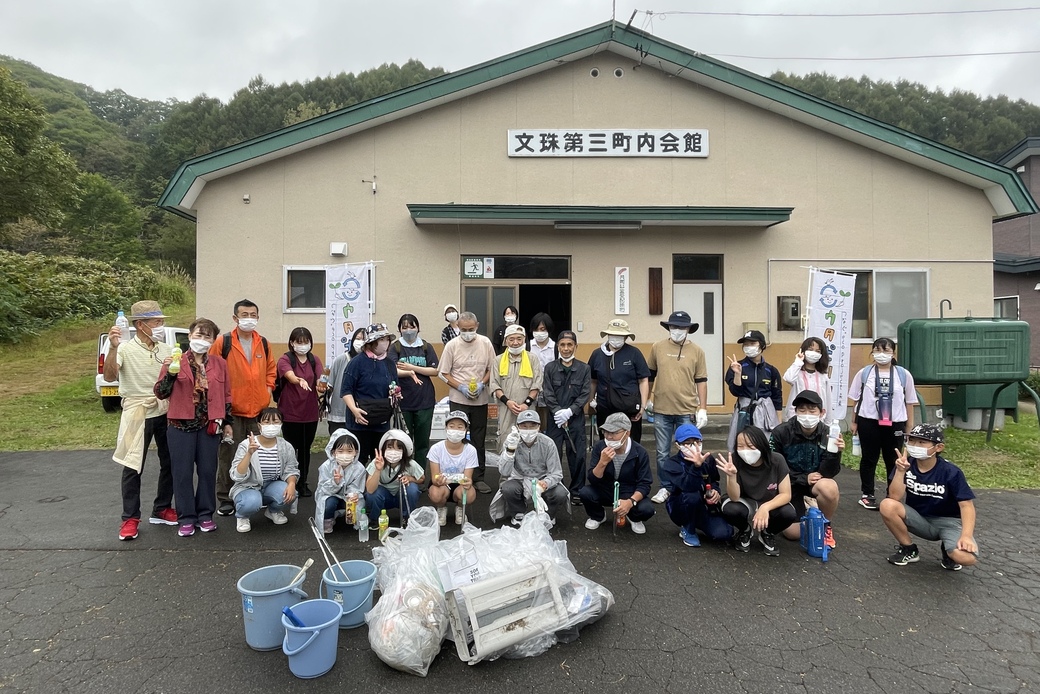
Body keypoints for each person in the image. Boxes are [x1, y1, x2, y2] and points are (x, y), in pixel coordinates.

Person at [153, 318, 232, 538]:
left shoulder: (219, 364)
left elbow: (226, 395)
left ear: (213, 340)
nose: (203, 339)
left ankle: (205, 515)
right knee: (182, 473)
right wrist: (170, 372)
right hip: (180, 425)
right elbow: (160, 392)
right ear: (189, 336)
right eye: (199, 334)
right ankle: (186, 517)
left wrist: (226, 423)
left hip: (209, 426)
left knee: (207, 472)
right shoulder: (175, 361)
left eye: (208, 336)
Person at [106, 300, 177, 540]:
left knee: (171, 462)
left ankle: (162, 508)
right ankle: (130, 518)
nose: (160, 326)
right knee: (132, 465)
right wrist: (113, 348)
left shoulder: (166, 349)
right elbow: (108, 376)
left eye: (161, 321)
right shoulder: (125, 348)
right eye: (156, 322)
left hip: (164, 409)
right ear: (140, 324)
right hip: (136, 410)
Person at [880, 424, 978, 571]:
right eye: (912, 441)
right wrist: (900, 471)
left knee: (966, 558)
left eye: (921, 442)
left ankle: (948, 551)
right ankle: (909, 549)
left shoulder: (951, 472)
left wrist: (966, 536)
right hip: (920, 519)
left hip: (949, 522)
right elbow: (894, 497)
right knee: (887, 505)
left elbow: (967, 506)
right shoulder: (906, 464)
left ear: (938, 447)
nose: (914, 445)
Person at [211, 299, 277, 517]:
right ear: (235, 318)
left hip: (258, 412)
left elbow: (271, 370)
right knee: (228, 455)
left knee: (259, 455)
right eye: (244, 314)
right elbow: (212, 371)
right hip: (233, 411)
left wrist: (268, 390)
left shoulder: (263, 343)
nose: (249, 318)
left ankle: (257, 493)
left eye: (253, 314)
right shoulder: (224, 342)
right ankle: (226, 497)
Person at [848, 337, 919, 511]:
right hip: (868, 421)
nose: (882, 354)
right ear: (872, 352)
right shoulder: (865, 373)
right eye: (878, 350)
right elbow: (856, 398)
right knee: (868, 458)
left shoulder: (903, 374)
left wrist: (909, 426)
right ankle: (867, 494)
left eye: (886, 350)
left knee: (893, 459)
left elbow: (909, 401)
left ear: (893, 353)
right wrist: (853, 421)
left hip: (896, 423)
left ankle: (892, 495)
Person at [647, 310, 709, 504]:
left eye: (682, 327)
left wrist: (703, 408)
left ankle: (686, 485)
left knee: (690, 451)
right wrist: (648, 398)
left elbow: (702, 381)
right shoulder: (657, 347)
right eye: (674, 326)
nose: (677, 330)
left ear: (689, 329)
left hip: (686, 409)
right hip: (661, 409)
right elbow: (650, 375)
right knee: (662, 452)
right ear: (668, 328)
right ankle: (666, 487)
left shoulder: (697, 351)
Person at [768, 391, 841, 548]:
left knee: (829, 487)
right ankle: (807, 512)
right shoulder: (781, 432)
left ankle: (825, 526)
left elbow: (829, 474)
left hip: (815, 483)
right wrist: (802, 478)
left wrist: (836, 453)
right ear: (795, 412)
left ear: (822, 413)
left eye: (812, 409)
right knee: (792, 534)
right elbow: (773, 467)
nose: (807, 414)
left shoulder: (829, 433)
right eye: (802, 409)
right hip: (789, 485)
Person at [438, 311, 496, 494]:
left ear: (477, 326)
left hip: (480, 398)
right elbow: (443, 373)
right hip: (458, 398)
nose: (468, 333)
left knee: (479, 439)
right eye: (464, 330)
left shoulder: (485, 343)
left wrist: (482, 383)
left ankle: (478, 478)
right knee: (457, 438)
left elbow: (492, 369)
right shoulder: (452, 345)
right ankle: (456, 476)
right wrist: (460, 387)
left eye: (471, 329)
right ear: (458, 328)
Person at [718, 425, 797, 556]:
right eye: (740, 446)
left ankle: (768, 533)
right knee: (730, 509)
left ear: (761, 444)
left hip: (769, 501)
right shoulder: (734, 460)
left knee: (788, 513)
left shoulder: (777, 460)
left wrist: (765, 507)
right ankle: (745, 530)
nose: (745, 451)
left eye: (750, 446)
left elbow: (786, 494)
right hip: (745, 501)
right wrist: (731, 476)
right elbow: (734, 497)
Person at [580, 412, 655, 534]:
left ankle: (633, 517)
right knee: (585, 493)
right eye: (606, 432)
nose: (609, 437)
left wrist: (630, 502)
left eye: (614, 433)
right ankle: (598, 516)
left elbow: (645, 484)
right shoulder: (600, 447)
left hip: (629, 490)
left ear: (627, 433)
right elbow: (592, 480)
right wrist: (602, 463)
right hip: (606, 488)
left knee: (647, 509)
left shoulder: (639, 452)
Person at [491, 409, 569, 526]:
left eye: (532, 426)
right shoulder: (512, 440)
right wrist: (510, 451)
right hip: (520, 478)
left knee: (560, 493)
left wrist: (545, 483)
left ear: (539, 426)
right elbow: (504, 471)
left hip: (542, 478)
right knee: (508, 488)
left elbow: (557, 473)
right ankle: (518, 513)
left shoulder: (548, 443)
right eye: (524, 426)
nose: (528, 430)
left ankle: (549, 514)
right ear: (517, 427)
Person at [660, 424, 732, 547]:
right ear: (678, 445)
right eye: (688, 443)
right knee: (691, 495)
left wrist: (715, 491)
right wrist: (696, 467)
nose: (694, 446)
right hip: (681, 504)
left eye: (697, 442)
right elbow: (687, 486)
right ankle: (688, 528)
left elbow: (714, 481)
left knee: (724, 534)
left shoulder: (708, 460)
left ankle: (700, 522)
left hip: (704, 505)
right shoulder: (672, 464)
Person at [229, 408, 300, 533]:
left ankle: (273, 511)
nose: (271, 425)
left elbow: (291, 469)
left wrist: (292, 484)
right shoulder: (246, 445)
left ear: (281, 424)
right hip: (247, 487)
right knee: (252, 501)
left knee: (291, 493)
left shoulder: (285, 446)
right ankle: (242, 517)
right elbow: (236, 475)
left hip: (271, 485)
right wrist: (249, 454)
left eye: (276, 422)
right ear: (259, 425)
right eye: (267, 422)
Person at [542, 330, 591, 505]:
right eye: (562, 345)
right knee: (553, 454)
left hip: (575, 420)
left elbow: (585, 393)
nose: (566, 348)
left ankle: (577, 490)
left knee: (577, 456)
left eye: (570, 345)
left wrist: (570, 411)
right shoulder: (550, 368)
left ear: (575, 346)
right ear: (558, 347)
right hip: (555, 421)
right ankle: (556, 489)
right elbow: (547, 392)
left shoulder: (584, 368)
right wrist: (557, 412)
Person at [341, 323, 401, 464]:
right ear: (371, 342)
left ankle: (375, 486)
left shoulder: (389, 364)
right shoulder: (357, 363)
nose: (385, 343)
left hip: (381, 420)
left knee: (379, 459)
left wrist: (396, 394)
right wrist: (354, 410)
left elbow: (395, 386)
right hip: (359, 420)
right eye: (381, 339)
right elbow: (346, 391)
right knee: (358, 460)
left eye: (386, 339)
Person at [276, 327, 324, 497]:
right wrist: (298, 380)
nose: (303, 345)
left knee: (305, 449)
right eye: (299, 342)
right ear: (292, 343)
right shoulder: (285, 359)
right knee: (290, 449)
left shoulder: (314, 360)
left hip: (309, 413)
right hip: (289, 412)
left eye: (306, 342)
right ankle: (288, 481)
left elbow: (320, 378)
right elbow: (289, 375)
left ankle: (302, 482)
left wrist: (322, 385)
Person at [587, 319, 651, 443]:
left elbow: (643, 380)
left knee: (631, 443)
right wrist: (590, 402)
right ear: (608, 335)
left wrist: (643, 406)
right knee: (607, 443)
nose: (616, 338)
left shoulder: (634, 353)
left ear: (626, 337)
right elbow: (593, 380)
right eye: (613, 335)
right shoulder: (597, 354)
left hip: (629, 407)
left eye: (620, 336)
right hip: (605, 407)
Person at [391, 313, 439, 471]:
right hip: (403, 401)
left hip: (424, 401)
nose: (408, 330)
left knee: (422, 442)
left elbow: (434, 370)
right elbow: (391, 370)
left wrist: (412, 368)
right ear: (399, 329)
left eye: (412, 327)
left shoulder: (426, 346)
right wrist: (409, 372)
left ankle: (419, 474)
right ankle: (403, 472)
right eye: (404, 327)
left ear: (418, 328)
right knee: (403, 440)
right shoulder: (395, 347)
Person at [725, 330, 783, 450]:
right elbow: (735, 391)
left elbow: (777, 397)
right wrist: (737, 374)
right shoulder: (737, 366)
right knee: (739, 443)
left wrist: (779, 423)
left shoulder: (771, 370)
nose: (748, 347)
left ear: (762, 345)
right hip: (744, 411)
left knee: (765, 446)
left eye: (752, 344)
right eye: (746, 344)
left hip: (765, 411)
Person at [490, 324, 543, 448]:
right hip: (506, 408)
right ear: (506, 340)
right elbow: (494, 384)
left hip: (527, 408)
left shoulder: (532, 359)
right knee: (506, 439)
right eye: (511, 339)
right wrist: (507, 401)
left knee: (528, 440)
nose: (515, 343)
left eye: (519, 339)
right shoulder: (498, 360)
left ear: (524, 340)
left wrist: (526, 403)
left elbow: (537, 384)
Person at [426, 411, 478, 526]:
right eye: (452, 426)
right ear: (446, 428)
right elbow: (434, 477)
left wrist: (468, 483)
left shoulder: (470, 450)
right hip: (442, 485)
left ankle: (460, 508)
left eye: (460, 427)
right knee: (435, 493)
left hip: (460, 485)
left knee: (469, 494)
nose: (455, 430)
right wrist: (438, 480)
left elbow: (468, 478)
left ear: (465, 430)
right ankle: (441, 508)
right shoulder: (436, 449)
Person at [363, 429, 425, 524]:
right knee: (373, 494)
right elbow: (370, 490)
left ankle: (408, 517)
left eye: (398, 448)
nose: (393, 452)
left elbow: (422, 479)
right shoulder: (376, 462)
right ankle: (375, 519)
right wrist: (378, 470)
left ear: (404, 451)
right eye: (390, 447)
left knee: (412, 489)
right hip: (383, 496)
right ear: (384, 449)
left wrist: (410, 479)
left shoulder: (410, 464)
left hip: (401, 495)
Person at [314, 429, 367, 534]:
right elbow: (322, 490)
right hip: (330, 496)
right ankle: (328, 519)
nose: (345, 455)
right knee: (329, 503)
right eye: (341, 451)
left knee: (357, 502)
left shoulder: (359, 468)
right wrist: (335, 482)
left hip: (346, 498)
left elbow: (357, 487)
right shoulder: (326, 466)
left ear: (356, 452)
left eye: (349, 451)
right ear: (333, 452)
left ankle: (351, 518)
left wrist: (353, 494)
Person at [325, 327, 366, 436]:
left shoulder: (370, 362)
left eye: (363, 339)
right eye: (358, 339)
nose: (360, 342)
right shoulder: (341, 360)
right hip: (339, 415)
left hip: (361, 414)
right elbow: (330, 386)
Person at [783, 336, 832, 423]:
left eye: (818, 351)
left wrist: (828, 422)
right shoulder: (797, 372)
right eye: (810, 349)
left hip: (817, 418)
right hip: (797, 417)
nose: (814, 353)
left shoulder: (823, 376)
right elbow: (788, 378)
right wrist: (798, 361)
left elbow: (827, 398)